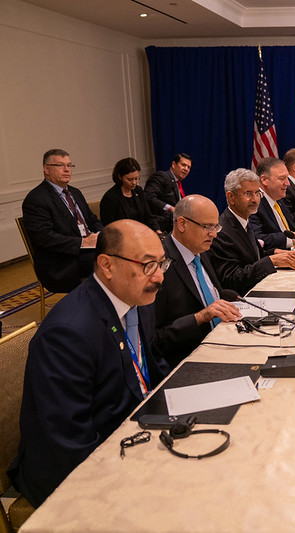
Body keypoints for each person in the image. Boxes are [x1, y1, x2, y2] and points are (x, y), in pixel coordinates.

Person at [8, 220, 171, 507]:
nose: (158, 277)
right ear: (107, 266)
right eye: (148, 265)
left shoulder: (137, 298)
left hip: (131, 431)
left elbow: (151, 364)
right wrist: (137, 476)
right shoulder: (68, 334)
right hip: (76, 470)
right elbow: (69, 440)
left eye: (161, 264)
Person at [154, 195, 242, 369]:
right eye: (207, 227)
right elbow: (156, 339)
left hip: (224, 341)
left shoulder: (201, 251)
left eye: (215, 226)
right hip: (189, 361)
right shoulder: (160, 266)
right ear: (182, 224)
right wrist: (200, 317)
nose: (214, 234)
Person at [208, 168, 295, 296]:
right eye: (248, 194)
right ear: (231, 197)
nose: (255, 200)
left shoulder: (245, 219)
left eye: (257, 193)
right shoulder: (222, 232)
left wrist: (273, 253)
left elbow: (251, 257)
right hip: (243, 300)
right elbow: (230, 279)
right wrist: (270, 261)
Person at [22, 148, 103, 293]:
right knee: (110, 261)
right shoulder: (36, 199)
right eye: (60, 165)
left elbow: (92, 219)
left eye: (69, 165)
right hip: (61, 262)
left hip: (86, 251)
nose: (67, 170)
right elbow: (44, 238)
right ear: (46, 169)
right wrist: (83, 243)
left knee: (121, 251)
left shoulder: (75, 192)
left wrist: (101, 235)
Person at [251, 157, 295, 252]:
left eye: (287, 178)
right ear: (264, 180)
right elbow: (257, 239)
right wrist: (291, 239)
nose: (288, 183)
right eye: (282, 178)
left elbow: (286, 228)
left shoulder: (277, 199)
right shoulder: (255, 204)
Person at [99, 157, 160, 232]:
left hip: (141, 233)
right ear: (119, 177)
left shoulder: (138, 191)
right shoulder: (110, 198)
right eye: (130, 179)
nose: (134, 182)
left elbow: (148, 216)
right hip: (122, 237)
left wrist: (158, 231)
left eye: (136, 178)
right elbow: (109, 227)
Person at [144, 153, 192, 232]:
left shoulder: (177, 183)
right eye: (183, 165)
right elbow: (148, 196)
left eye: (188, 167)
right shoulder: (161, 177)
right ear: (174, 164)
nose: (186, 169)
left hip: (173, 225)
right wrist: (169, 207)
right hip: (159, 226)